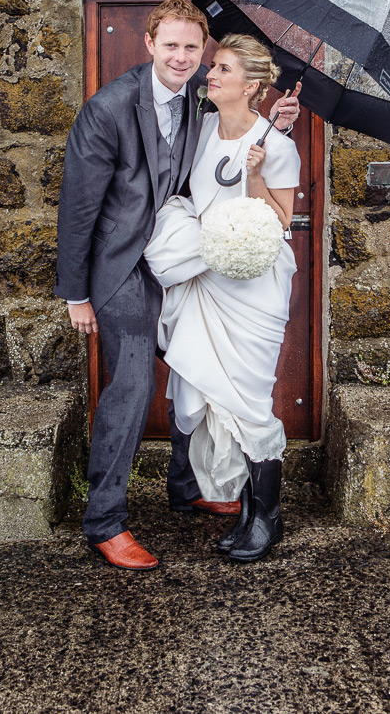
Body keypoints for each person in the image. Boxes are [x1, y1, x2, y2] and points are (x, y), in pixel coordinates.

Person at [55, 0, 300, 571]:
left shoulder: (199, 101)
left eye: (195, 48)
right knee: (134, 385)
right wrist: (75, 293)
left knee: (195, 370)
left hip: (187, 264)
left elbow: (238, 127)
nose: (185, 58)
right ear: (149, 44)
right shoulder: (109, 108)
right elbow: (77, 206)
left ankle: (187, 486)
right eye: (173, 46)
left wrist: (272, 123)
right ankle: (105, 522)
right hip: (123, 267)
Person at [145, 34, 300, 563]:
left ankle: (266, 517)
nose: (209, 74)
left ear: (251, 86)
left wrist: (256, 172)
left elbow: (280, 222)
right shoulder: (202, 125)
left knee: (250, 398)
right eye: (212, 66)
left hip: (253, 287)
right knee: (198, 384)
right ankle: (226, 501)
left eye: (222, 69)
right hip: (204, 278)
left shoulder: (278, 145)